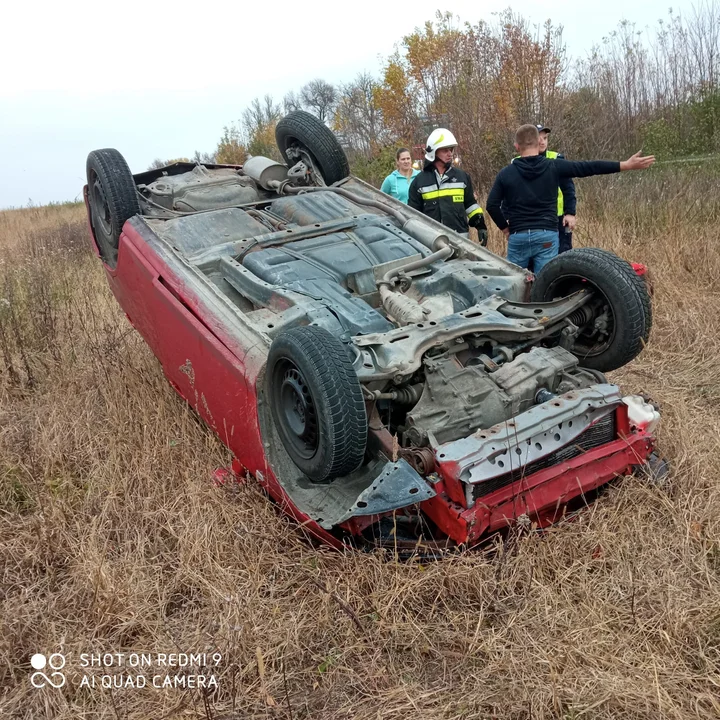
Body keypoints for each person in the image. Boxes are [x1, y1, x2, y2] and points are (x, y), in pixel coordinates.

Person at [486, 124, 654, 273]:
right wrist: (625, 165)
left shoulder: (505, 173)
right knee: (545, 284)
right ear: (539, 144)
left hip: (518, 236)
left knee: (513, 284)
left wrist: (505, 229)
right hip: (547, 236)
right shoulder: (554, 166)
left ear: (516, 146)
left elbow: (492, 205)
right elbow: (588, 167)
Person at [408, 128, 488, 245]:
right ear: (433, 152)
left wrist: (481, 225)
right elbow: (413, 215)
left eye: (451, 150)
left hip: (460, 239)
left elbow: (470, 205)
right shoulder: (419, 182)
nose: (450, 154)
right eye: (445, 150)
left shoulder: (462, 177)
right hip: (432, 242)